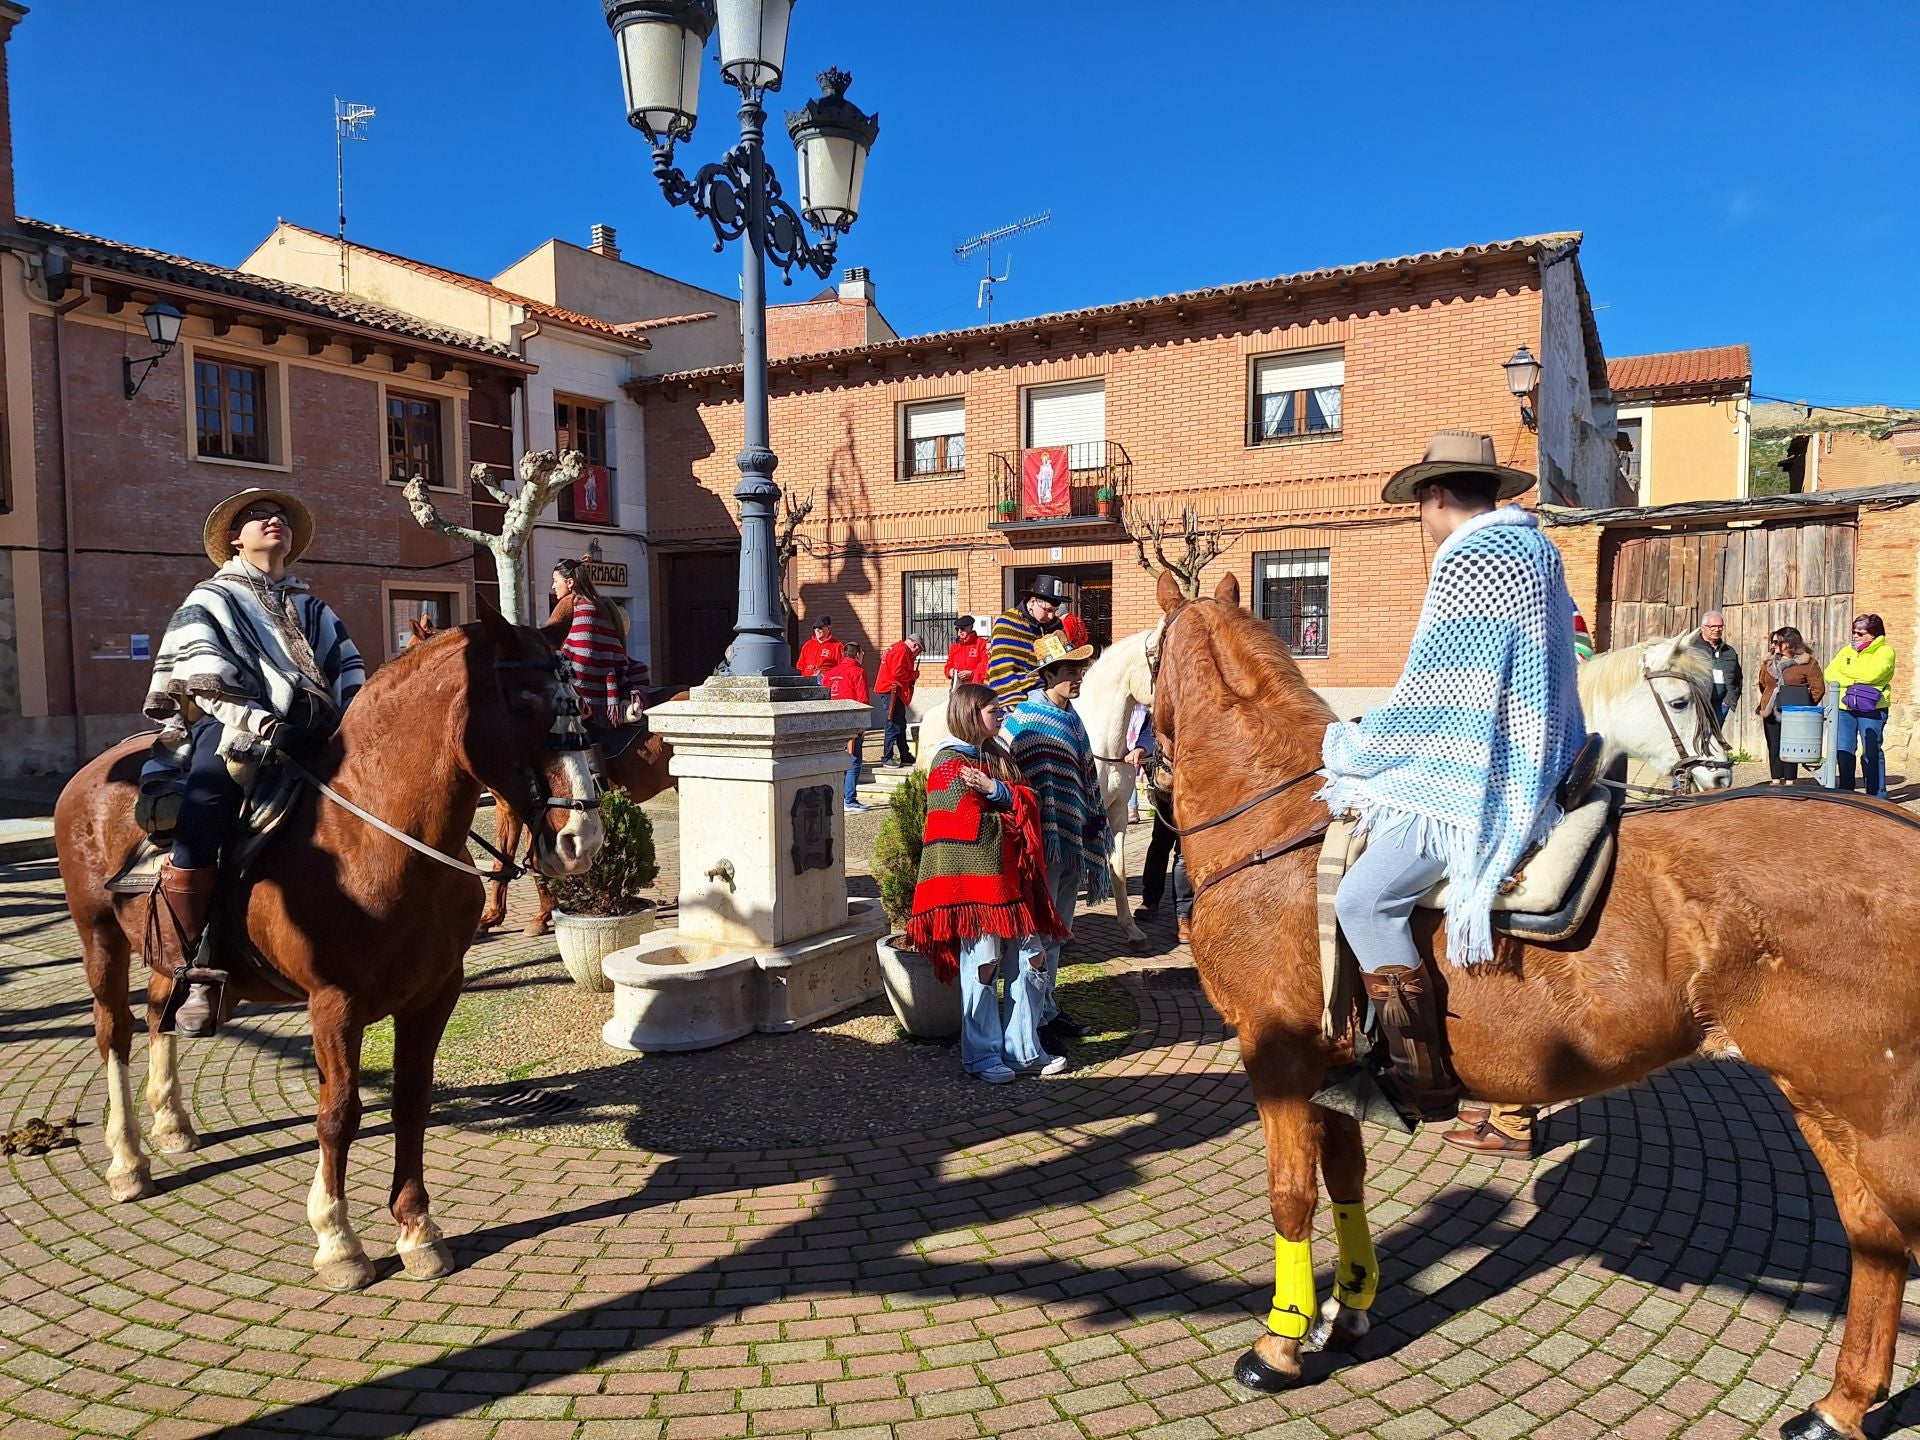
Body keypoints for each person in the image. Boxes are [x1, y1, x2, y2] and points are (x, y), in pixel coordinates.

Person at [1319, 431, 1587, 1124]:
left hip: (1476, 780)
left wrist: (1351, 743)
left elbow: (1435, 697)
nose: (1421, 519)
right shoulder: (1540, 551)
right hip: (1539, 755)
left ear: (1437, 495)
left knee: (1363, 900)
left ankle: (1419, 1077)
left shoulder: (1469, 557)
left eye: (1420, 504)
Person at [143, 489, 365, 1037]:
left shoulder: (313, 607)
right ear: (233, 539)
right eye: (257, 517)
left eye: (282, 517)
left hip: (318, 734)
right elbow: (205, 680)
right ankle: (194, 967)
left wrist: (357, 727)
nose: (274, 521)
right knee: (205, 807)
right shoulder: (209, 599)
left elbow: (349, 671)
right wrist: (268, 726)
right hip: (238, 732)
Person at [905, 684, 1068, 1083]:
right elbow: (963, 828)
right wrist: (1011, 809)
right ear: (970, 713)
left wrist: (998, 791)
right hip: (977, 888)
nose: (1002, 715)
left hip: (1015, 884)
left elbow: (1028, 799)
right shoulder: (948, 763)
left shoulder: (998, 756)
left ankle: (1023, 1050)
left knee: (1032, 962)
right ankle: (981, 1056)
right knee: (983, 966)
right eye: (995, 710)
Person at [1003, 629, 1111, 1043]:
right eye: (1070, 670)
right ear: (1048, 675)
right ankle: (1026, 1020)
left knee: (1059, 930)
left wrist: (1091, 823)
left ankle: (1047, 1011)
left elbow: (1084, 777)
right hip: (1039, 844)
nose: (1079, 676)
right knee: (1034, 933)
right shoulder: (1022, 719)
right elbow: (1009, 777)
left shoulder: (1072, 719)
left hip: (1070, 842)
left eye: (1079, 669)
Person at [549, 558, 644, 727]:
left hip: (587, 696)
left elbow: (584, 658)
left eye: (556, 581)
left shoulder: (586, 608)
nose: (553, 586)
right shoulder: (580, 605)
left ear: (570, 582)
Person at [1826, 613, 1897, 799]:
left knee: (1871, 751)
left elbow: (1871, 675)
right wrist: (1855, 680)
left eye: (1860, 633)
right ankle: (1846, 793)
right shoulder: (1846, 651)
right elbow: (1829, 674)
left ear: (1873, 634)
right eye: (1853, 632)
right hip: (1845, 708)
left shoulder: (1885, 651)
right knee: (1844, 750)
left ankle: (1877, 796)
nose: (1855, 636)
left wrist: (1846, 676)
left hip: (1872, 709)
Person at [1757, 626, 1826, 786]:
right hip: (1772, 710)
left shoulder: (1807, 663)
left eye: (1776, 641)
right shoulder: (1768, 662)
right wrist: (1770, 698)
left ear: (1788, 643)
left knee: (1791, 744)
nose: (1773, 645)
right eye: (1772, 641)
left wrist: (1804, 705)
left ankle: (1789, 780)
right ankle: (1775, 779)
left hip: (1794, 712)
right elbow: (1762, 683)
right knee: (1773, 744)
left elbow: (1818, 688)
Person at [987, 574, 1068, 702]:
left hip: (1051, 694)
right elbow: (1001, 672)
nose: (1052, 615)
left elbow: (1063, 662)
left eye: (1055, 610)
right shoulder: (1007, 623)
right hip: (1009, 697)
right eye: (1047, 610)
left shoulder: (1056, 625)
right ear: (1032, 601)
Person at [821, 641, 872, 811]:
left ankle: (834, 797)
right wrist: (863, 724)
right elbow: (862, 698)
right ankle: (849, 799)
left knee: (835, 759)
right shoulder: (858, 671)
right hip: (851, 722)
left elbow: (824, 696)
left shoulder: (830, 673)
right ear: (858, 654)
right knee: (854, 760)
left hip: (831, 721)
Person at [874, 634, 925, 768]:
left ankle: (905, 754)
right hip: (892, 690)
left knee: (900, 723)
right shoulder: (901, 651)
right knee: (893, 723)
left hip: (892, 689)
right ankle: (887, 757)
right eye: (918, 651)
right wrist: (913, 674)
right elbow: (898, 673)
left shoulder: (898, 648)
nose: (917, 655)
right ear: (915, 645)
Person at [1690, 611, 1742, 725]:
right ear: (1703, 628)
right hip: (1698, 703)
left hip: (1721, 704)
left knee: (1715, 737)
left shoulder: (1729, 651)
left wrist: (1728, 701)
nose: (1717, 629)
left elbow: (1737, 680)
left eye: (1720, 626)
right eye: (1713, 626)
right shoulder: (1691, 649)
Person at [944, 615, 988, 686]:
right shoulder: (954, 647)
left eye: (962, 628)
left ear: (971, 627)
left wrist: (972, 673)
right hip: (957, 686)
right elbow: (949, 665)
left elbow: (986, 666)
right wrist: (950, 672)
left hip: (976, 687)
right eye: (957, 629)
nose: (959, 631)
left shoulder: (981, 644)